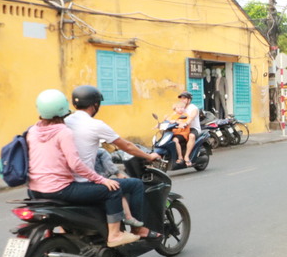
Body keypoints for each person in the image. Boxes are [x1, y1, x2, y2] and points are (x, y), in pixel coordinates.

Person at [25, 89, 154, 247]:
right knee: (116, 188)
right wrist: (101, 179)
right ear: (95, 105)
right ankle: (119, 234)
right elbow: (75, 163)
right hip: (62, 188)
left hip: (34, 189)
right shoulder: (64, 131)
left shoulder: (33, 130)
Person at [65, 85, 162, 230]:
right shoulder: (95, 125)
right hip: (83, 182)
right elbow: (127, 146)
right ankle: (138, 230)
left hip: (64, 181)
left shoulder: (64, 122)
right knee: (135, 184)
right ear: (95, 105)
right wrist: (148, 156)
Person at [171, 91, 201, 166]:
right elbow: (172, 116)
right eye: (181, 98)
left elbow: (191, 117)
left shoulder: (194, 108)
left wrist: (186, 123)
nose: (182, 100)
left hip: (193, 128)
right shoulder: (181, 108)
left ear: (189, 100)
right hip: (182, 129)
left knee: (191, 136)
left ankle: (186, 156)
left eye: (184, 98)